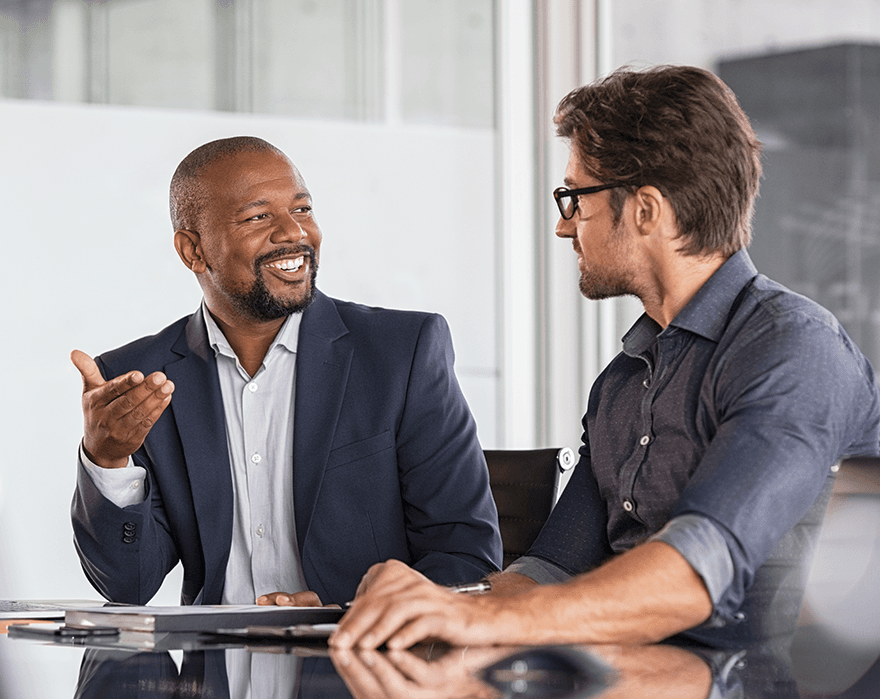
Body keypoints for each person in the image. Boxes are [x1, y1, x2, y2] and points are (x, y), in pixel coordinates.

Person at [329, 64, 880, 650]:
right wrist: (423, 606)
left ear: (645, 209)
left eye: (575, 198)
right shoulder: (622, 381)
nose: (565, 227)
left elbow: (696, 573)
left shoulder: (794, 349)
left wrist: (479, 622)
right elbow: (547, 573)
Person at [70, 136, 502, 607]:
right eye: (258, 217)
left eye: (302, 209)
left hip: (359, 664)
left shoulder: (402, 354)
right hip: (215, 673)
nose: (293, 233)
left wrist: (349, 614)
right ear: (193, 251)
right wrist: (107, 460)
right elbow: (127, 586)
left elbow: (466, 557)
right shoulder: (140, 380)